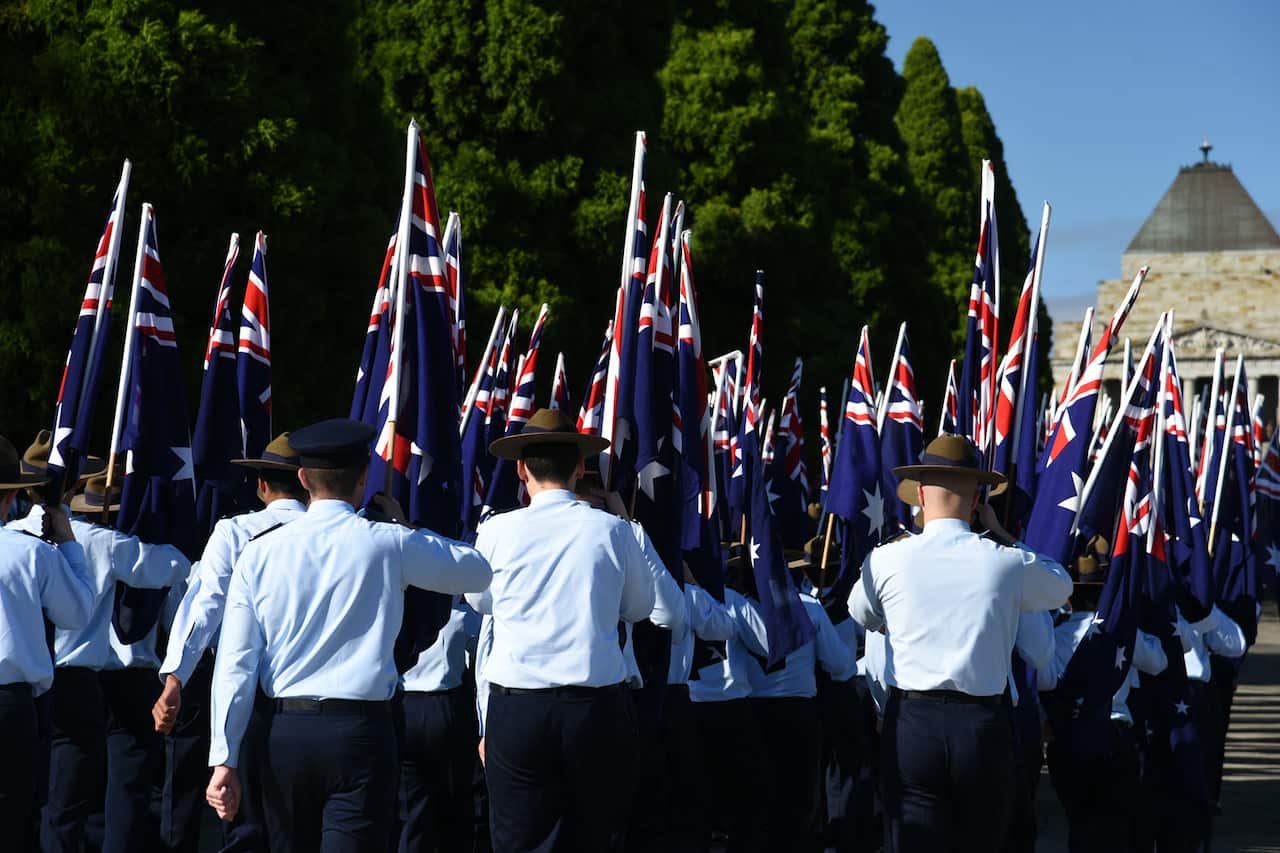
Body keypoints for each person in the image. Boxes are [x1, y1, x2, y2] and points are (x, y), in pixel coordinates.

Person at [205, 418, 492, 852]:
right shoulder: (387, 541)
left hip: (286, 732)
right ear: (364, 477)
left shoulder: (258, 553)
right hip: (362, 732)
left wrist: (224, 758)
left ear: (303, 478)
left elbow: (236, 663)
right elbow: (476, 570)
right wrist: (406, 527)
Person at [849, 434, 1071, 853]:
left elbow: (861, 614)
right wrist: (1003, 533)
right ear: (976, 501)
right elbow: (1059, 587)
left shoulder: (886, 558)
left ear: (918, 494)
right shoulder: (1005, 560)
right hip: (981, 725)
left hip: (912, 723)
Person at [464, 408, 655, 852]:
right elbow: (640, 608)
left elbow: (479, 603)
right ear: (581, 467)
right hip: (595, 709)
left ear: (521, 468)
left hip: (519, 709)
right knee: (596, 839)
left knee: (519, 841)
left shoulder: (496, 530)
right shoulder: (614, 530)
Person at [9, 434, 191, 853]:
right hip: (74, 685)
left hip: (23, 683)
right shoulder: (101, 541)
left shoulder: (9, 538)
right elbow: (173, 566)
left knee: (25, 798)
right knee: (68, 807)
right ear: (74, 485)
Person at [154, 432, 308, 852]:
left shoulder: (237, 532)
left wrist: (175, 678)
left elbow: (205, 607)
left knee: (244, 825)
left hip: (245, 695)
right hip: (318, 702)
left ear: (261, 486)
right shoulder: (339, 532)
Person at [0, 435, 96, 843]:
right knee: (13, 825)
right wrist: (68, 543)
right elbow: (77, 613)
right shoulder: (29, 552)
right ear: (9, 497)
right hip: (10, 706)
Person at [742, 570, 851, 851]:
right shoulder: (809, 606)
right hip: (797, 712)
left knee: (756, 807)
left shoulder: (734, 604)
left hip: (751, 713)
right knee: (800, 806)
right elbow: (840, 664)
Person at [397, 597, 482, 853]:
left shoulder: (399, 607)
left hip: (405, 706)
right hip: (445, 705)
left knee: (412, 811)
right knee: (455, 806)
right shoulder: (460, 613)